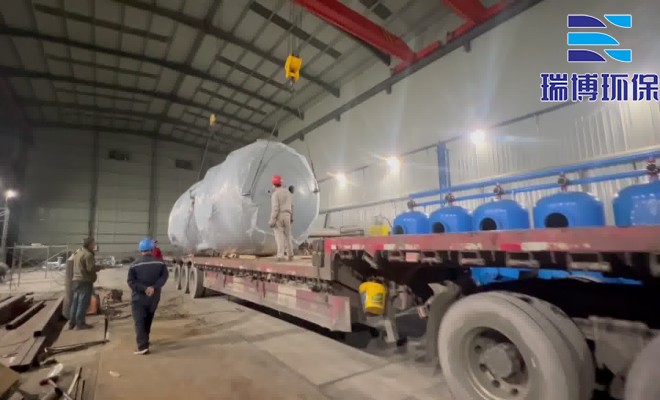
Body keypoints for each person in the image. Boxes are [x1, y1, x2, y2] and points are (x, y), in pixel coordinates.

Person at [127, 238, 169, 355]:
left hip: (139, 298)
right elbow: (164, 277)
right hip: (154, 298)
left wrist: (144, 289)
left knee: (139, 321)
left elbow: (131, 282)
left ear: (140, 250)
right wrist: (153, 287)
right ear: (152, 249)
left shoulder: (134, 265)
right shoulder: (160, 263)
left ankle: (142, 346)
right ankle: (145, 340)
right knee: (148, 318)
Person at [69, 237, 100, 330]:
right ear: (89, 244)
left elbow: (71, 259)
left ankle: (72, 323)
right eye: (93, 244)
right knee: (83, 303)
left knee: (75, 302)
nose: (94, 245)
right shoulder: (88, 255)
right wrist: (100, 267)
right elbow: (90, 269)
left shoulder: (77, 251)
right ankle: (80, 324)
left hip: (75, 280)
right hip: (84, 281)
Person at [268, 175, 294, 261]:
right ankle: (290, 254)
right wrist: (291, 217)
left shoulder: (275, 194)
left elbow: (275, 208)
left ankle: (280, 256)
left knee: (279, 236)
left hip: (279, 215)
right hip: (287, 215)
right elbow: (292, 206)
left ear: (273, 185)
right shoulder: (288, 193)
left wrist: (272, 220)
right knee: (288, 235)